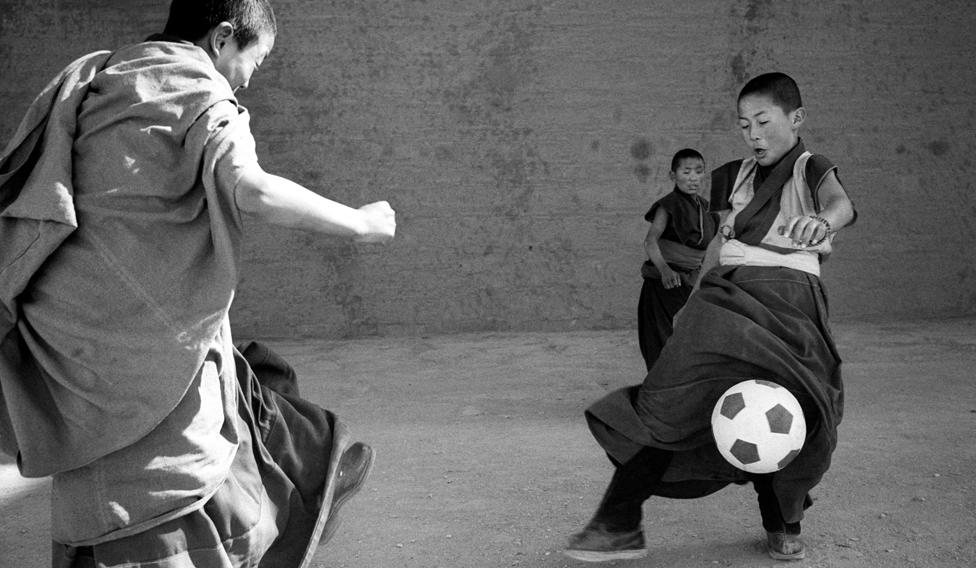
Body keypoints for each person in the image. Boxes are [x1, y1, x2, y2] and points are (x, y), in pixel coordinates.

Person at [0, 1, 396, 566]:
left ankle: (313, 470)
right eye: (253, 63)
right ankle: (305, 484)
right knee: (185, 446)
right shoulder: (197, 89)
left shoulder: (103, 79)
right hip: (136, 350)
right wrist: (358, 221)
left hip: (62, 334)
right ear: (222, 38)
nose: (248, 80)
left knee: (241, 369)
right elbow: (252, 190)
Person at [564, 72, 857, 563]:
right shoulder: (732, 175)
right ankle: (617, 522)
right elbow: (719, 243)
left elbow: (841, 204)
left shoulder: (811, 166)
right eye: (744, 125)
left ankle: (783, 521)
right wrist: (694, 303)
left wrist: (823, 221)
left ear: (796, 118)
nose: (754, 134)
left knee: (793, 408)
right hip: (725, 301)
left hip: (792, 304)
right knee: (671, 401)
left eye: (763, 121)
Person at [637, 148, 718, 370]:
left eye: (698, 171)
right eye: (686, 171)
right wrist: (664, 270)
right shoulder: (668, 205)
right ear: (673, 175)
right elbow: (650, 241)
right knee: (660, 340)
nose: (693, 178)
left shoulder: (707, 208)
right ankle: (659, 391)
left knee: (692, 338)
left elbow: (713, 248)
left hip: (692, 284)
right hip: (664, 284)